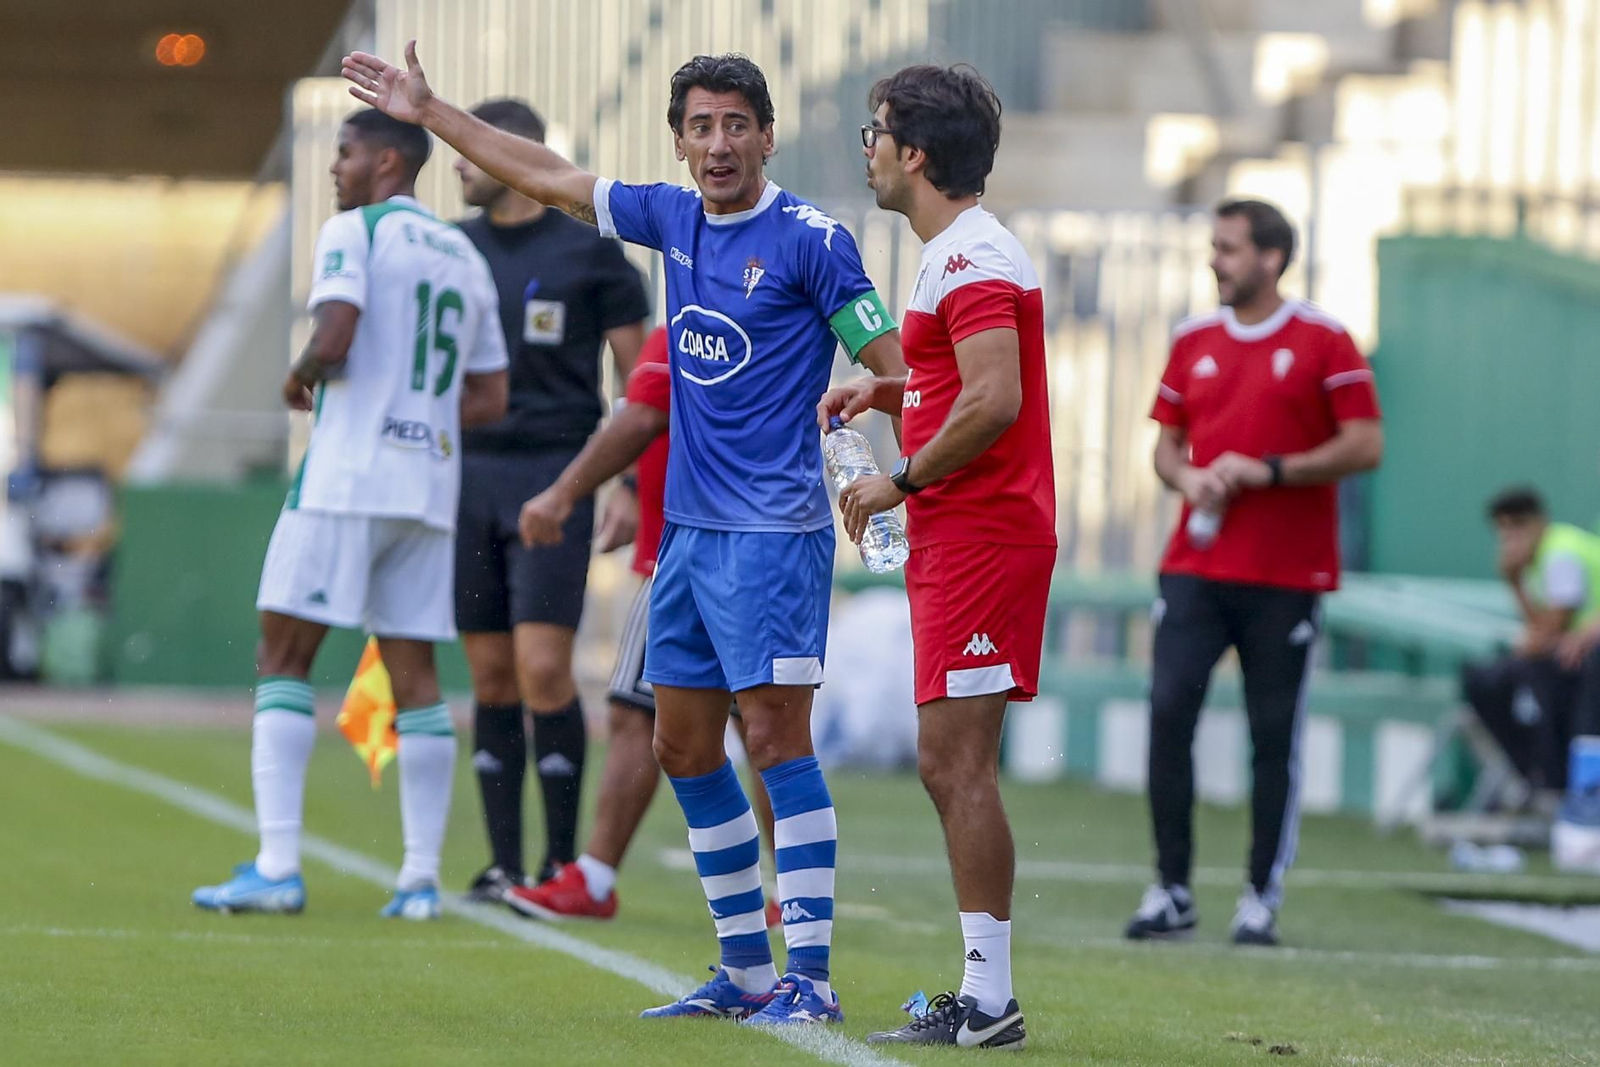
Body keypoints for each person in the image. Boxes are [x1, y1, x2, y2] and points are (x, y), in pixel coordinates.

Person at [343, 45, 904, 1024]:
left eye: (737, 125)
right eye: (701, 126)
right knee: (680, 744)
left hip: (774, 534)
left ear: (767, 137)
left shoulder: (813, 240)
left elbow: (895, 368)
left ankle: (809, 976)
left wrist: (885, 448)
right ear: (679, 142)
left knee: (775, 738)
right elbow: (550, 177)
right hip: (684, 534)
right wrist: (431, 113)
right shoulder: (671, 218)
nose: (719, 144)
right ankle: (745, 970)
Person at [192, 109, 509, 920]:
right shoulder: (465, 256)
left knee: (282, 653)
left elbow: (334, 337)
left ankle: (277, 865)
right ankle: (419, 880)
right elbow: (490, 395)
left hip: (345, 479)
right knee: (415, 675)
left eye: (346, 152)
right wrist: (418, 417)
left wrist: (299, 374)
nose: (336, 167)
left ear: (388, 161)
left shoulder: (353, 232)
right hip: (427, 488)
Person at [818, 64, 1050, 1050]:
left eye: (874, 133)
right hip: (962, 532)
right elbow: (961, 379)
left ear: (913, 153)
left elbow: (995, 399)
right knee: (947, 762)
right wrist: (889, 392)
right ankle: (983, 992)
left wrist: (899, 478)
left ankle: (989, 1000)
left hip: (982, 531)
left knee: (956, 763)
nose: (867, 150)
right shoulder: (955, 253)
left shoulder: (973, 255)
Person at [1124, 199, 1383, 947]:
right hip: (1195, 568)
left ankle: (1260, 896)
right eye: (1215, 246)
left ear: (1271, 258)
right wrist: (1190, 478)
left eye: (1229, 248)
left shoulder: (1325, 340)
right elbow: (1166, 448)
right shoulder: (1192, 338)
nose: (1216, 260)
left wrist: (1270, 470)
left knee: (1273, 735)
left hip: (1286, 576)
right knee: (1168, 712)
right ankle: (1172, 888)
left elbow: (1365, 444)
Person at [510, 326, 781, 929]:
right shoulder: (757, 323)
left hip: (686, 553)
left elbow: (641, 419)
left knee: (642, 714)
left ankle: (597, 876)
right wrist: (633, 487)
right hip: (756, 549)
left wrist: (560, 495)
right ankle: (794, 893)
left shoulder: (690, 326)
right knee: (763, 727)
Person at [449, 97, 651, 906]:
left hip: (552, 475)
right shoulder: (454, 250)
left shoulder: (591, 253)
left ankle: (561, 865)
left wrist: (630, 484)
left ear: (514, 155)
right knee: (491, 674)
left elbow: (642, 382)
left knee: (541, 668)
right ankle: (504, 866)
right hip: (467, 477)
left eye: (471, 150)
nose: (458, 162)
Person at [1460, 487, 1600, 797]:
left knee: (1526, 677)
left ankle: (1555, 782)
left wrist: (1514, 583)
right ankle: (1540, 776)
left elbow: (1544, 636)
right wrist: (1516, 583)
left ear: (1539, 522)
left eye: (1517, 526)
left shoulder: (1560, 554)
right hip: (1579, 656)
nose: (1510, 539)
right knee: (1490, 679)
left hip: (1588, 659)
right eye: (1503, 530)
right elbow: (1543, 630)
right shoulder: (1541, 559)